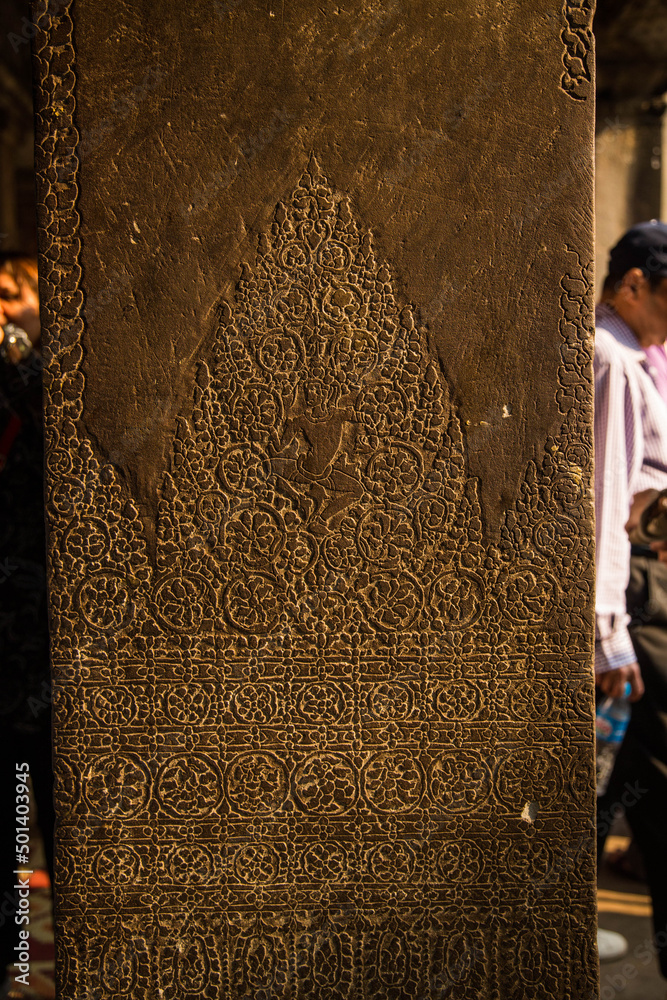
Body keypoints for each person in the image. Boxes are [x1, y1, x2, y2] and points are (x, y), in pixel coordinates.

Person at [594, 221, 667, 975]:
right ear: (633, 283)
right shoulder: (611, 360)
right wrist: (607, 632)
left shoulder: (626, 356)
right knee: (609, 772)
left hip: (634, 590)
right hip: (628, 601)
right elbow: (604, 497)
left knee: (615, 776)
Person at [0, 254, 54, 997]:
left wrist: (14, 348)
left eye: (15, 291)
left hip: (53, 669)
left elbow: (41, 395)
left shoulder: (53, 374)